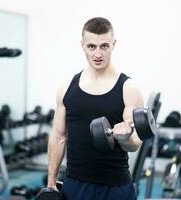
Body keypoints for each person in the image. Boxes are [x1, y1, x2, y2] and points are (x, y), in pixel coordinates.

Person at [47, 17, 144, 200]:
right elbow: (59, 136)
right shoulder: (67, 88)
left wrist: (124, 139)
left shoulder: (128, 89)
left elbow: (135, 143)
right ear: (82, 45)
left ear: (113, 44)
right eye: (91, 46)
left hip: (116, 187)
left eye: (104, 46)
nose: (98, 54)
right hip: (75, 185)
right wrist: (51, 183)